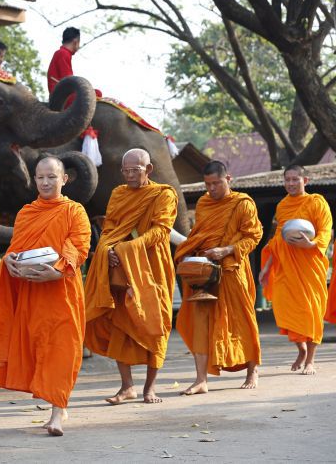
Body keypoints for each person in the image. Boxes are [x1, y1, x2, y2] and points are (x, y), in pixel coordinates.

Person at [0, 156, 90, 437]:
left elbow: (78, 245)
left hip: (62, 290)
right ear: (34, 180)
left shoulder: (74, 211)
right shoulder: (27, 213)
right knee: (39, 348)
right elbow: (17, 247)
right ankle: (59, 401)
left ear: (64, 179)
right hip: (32, 292)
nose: (46, 182)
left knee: (62, 348)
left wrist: (58, 272)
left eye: (52, 177)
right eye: (40, 177)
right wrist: (8, 259)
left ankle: (58, 411)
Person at [83, 148, 177, 404]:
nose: (130, 175)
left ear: (148, 169)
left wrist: (126, 250)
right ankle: (127, 387)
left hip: (154, 267)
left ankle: (150, 388)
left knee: (156, 324)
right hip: (122, 271)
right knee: (120, 324)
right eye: (126, 170)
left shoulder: (163, 194)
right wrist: (108, 251)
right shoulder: (118, 193)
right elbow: (110, 228)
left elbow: (161, 230)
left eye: (135, 170)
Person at [174, 161, 262, 395]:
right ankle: (201, 379)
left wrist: (226, 250)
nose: (212, 189)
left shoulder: (242, 204)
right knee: (201, 323)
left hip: (233, 270)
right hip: (205, 272)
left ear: (229, 179)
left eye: (217, 183)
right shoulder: (203, 203)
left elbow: (253, 237)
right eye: (208, 184)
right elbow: (199, 235)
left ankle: (252, 369)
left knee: (242, 319)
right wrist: (191, 254)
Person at [259, 165, 332, 375]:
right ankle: (300, 349)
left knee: (310, 312)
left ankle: (310, 360)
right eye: (287, 180)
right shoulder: (282, 206)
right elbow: (277, 240)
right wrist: (266, 267)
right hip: (286, 267)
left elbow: (326, 229)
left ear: (305, 181)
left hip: (310, 267)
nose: (290, 184)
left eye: (295, 179)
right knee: (284, 309)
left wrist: (312, 244)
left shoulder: (316, 202)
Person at [47, 27, 80, 94]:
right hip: (61, 96)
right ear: (75, 42)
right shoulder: (63, 53)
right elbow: (68, 80)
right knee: (96, 93)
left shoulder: (62, 53)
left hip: (63, 93)